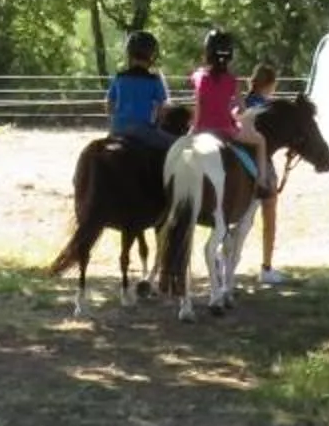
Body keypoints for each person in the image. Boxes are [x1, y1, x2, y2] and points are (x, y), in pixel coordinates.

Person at [189, 29, 268, 194]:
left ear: (207, 52)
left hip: (200, 130)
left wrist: (194, 129)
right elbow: (243, 110)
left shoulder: (197, 76)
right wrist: (234, 114)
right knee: (260, 141)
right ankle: (261, 181)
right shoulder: (232, 81)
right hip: (226, 131)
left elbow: (198, 105)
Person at [242, 61, 290, 287]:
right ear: (270, 84)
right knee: (269, 212)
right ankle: (267, 267)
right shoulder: (269, 108)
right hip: (261, 161)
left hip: (240, 156)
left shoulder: (244, 102)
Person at [106, 29, 171, 153]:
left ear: (129, 54)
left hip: (117, 130)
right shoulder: (154, 80)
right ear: (151, 54)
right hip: (143, 131)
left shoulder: (119, 77)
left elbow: (109, 105)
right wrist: (156, 125)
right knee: (171, 144)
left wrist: (115, 123)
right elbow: (163, 109)